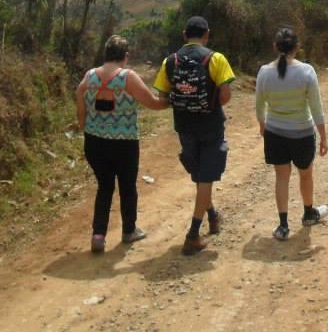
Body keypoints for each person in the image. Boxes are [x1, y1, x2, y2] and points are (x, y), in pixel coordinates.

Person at [152, 16, 235, 255]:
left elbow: (163, 97)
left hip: (184, 127)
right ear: (207, 34)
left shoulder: (170, 61)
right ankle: (192, 235)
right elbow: (225, 97)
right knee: (206, 179)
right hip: (210, 126)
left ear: (183, 34)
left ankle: (212, 215)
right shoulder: (216, 58)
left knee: (201, 178)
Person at [76, 34, 163, 253]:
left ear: (106, 54)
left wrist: (83, 125)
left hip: (94, 142)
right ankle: (128, 230)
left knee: (104, 187)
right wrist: (172, 101)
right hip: (123, 143)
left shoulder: (90, 76)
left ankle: (98, 235)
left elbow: (80, 97)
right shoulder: (128, 77)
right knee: (127, 186)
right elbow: (151, 102)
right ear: (125, 56)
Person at [255, 27, 328, 241]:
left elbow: (259, 106)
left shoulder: (264, 72)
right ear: (297, 47)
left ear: (275, 47)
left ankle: (283, 225)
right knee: (305, 174)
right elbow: (316, 108)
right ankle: (308, 213)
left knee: (281, 177)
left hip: (275, 133)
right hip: (302, 134)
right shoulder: (307, 72)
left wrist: (262, 125)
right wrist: (323, 136)